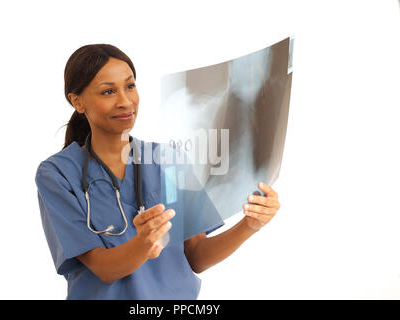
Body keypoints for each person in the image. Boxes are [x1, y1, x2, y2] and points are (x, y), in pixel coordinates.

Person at [34, 44, 281, 300]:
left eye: (130, 86)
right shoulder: (57, 174)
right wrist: (142, 246)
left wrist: (250, 225)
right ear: (77, 101)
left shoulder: (169, 159)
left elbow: (195, 255)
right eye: (108, 91)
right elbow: (103, 268)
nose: (125, 101)